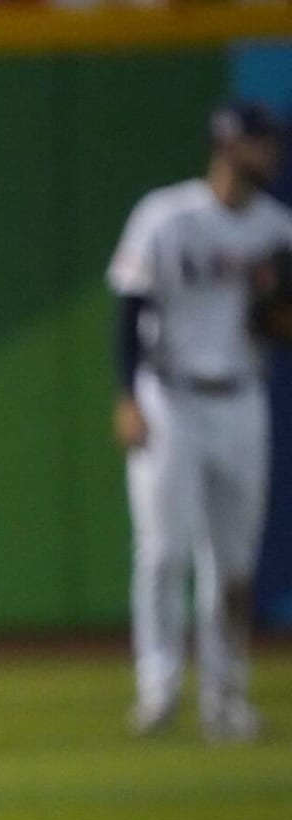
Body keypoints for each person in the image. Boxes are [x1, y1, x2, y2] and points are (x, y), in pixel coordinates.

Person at [107, 100, 292, 742]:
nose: (272, 155)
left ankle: (226, 696)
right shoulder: (167, 215)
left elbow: (282, 322)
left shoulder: (277, 228)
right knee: (161, 551)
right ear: (227, 147)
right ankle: (157, 688)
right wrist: (126, 396)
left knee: (233, 562)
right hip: (170, 397)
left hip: (241, 397)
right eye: (261, 145)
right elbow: (130, 308)